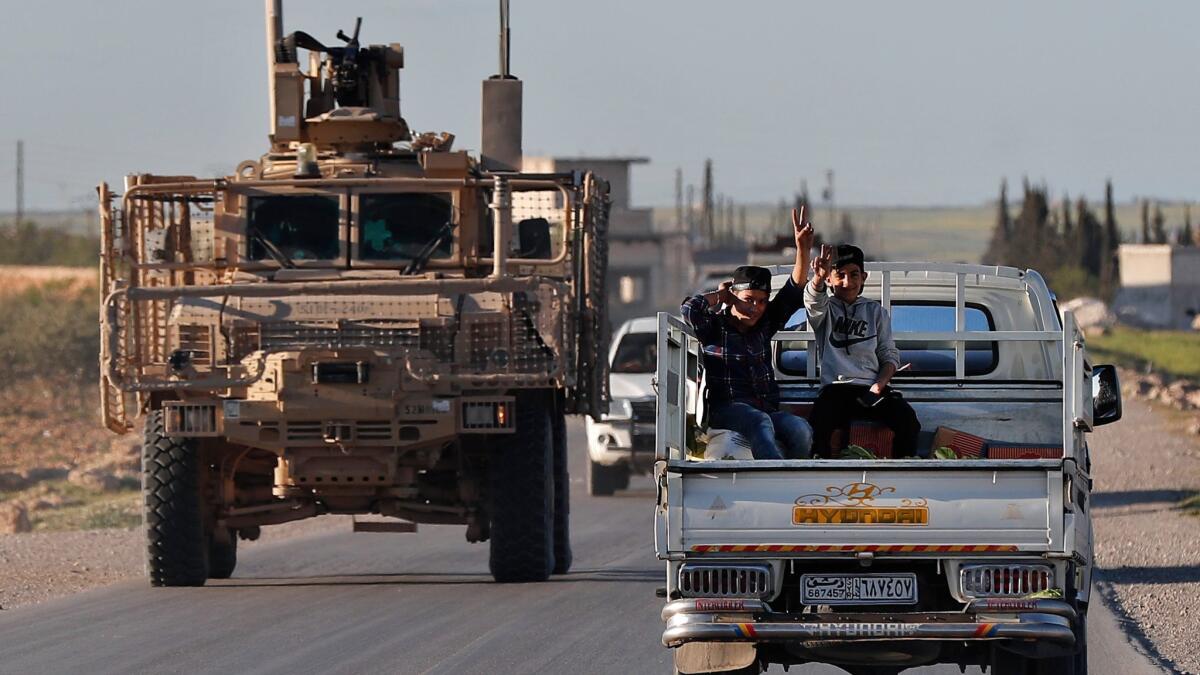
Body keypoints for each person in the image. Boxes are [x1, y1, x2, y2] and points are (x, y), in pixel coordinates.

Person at [680, 208, 814, 460]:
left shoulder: (765, 324)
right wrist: (720, 296)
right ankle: (776, 479)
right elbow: (689, 308)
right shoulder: (714, 328)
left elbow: (794, 287)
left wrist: (802, 249)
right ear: (733, 297)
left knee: (800, 430)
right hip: (726, 410)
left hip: (765, 409)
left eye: (762, 301)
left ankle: (798, 480)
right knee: (759, 422)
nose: (756, 308)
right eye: (748, 300)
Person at [803, 243, 921, 457]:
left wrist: (878, 385)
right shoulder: (825, 311)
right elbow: (813, 300)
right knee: (819, 428)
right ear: (830, 279)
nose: (848, 282)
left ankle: (901, 475)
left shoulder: (876, 312)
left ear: (864, 277)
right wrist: (817, 278)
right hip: (835, 389)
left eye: (854, 274)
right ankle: (823, 483)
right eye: (840, 275)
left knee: (907, 420)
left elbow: (889, 354)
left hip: (870, 389)